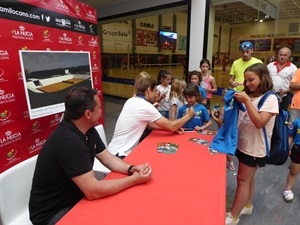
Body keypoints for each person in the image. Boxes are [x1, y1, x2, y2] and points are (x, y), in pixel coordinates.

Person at [29, 87, 152, 225]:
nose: (101, 111)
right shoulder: (69, 142)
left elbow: (108, 158)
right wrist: (134, 180)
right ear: (88, 114)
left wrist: (131, 169)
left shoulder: (87, 129)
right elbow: (93, 191)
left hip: (76, 197)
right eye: (99, 108)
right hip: (53, 214)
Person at [226, 63, 279, 225]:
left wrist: (247, 101)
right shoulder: (252, 95)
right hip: (244, 144)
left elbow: (259, 122)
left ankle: (233, 216)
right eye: (246, 80)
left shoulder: (270, 98)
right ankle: (247, 205)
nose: (248, 84)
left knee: (242, 180)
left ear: (263, 78)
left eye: (251, 80)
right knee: (248, 178)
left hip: (255, 148)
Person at [107, 78, 195, 158]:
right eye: (155, 91)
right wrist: (188, 115)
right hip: (121, 155)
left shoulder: (130, 100)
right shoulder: (145, 106)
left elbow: (150, 125)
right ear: (149, 90)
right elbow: (171, 125)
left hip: (111, 150)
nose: (157, 94)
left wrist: (171, 129)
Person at [211, 88, 235, 170]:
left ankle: (225, 164)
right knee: (229, 146)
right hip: (231, 131)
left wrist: (213, 115)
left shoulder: (223, 108)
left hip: (223, 131)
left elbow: (219, 122)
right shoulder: (233, 107)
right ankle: (231, 163)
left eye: (223, 95)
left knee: (222, 147)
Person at [282, 117, 300, 202]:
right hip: (297, 151)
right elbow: (291, 135)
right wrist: (287, 148)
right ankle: (287, 189)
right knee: (294, 171)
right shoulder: (297, 122)